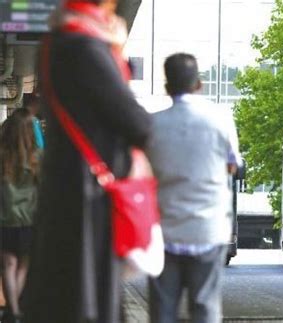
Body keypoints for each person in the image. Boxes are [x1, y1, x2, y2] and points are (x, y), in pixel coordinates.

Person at [22, 1, 153, 322]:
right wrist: (115, 51)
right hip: (88, 198)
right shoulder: (83, 46)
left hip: (68, 187)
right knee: (85, 299)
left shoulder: (56, 40)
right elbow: (137, 123)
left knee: (63, 294)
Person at [147, 53, 242, 323]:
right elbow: (232, 166)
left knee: (162, 310)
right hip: (208, 230)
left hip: (164, 230)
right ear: (199, 84)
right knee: (205, 307)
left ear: (167, 88)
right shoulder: (220, 119)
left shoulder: (152, 125)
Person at [0, 108, 41, 323]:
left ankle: (12, 311)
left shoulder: (2, 157)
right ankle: (15, 311)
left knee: (7, 265)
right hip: (29, 220)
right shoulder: (38, 158)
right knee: (23, 266)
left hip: (5, 219)